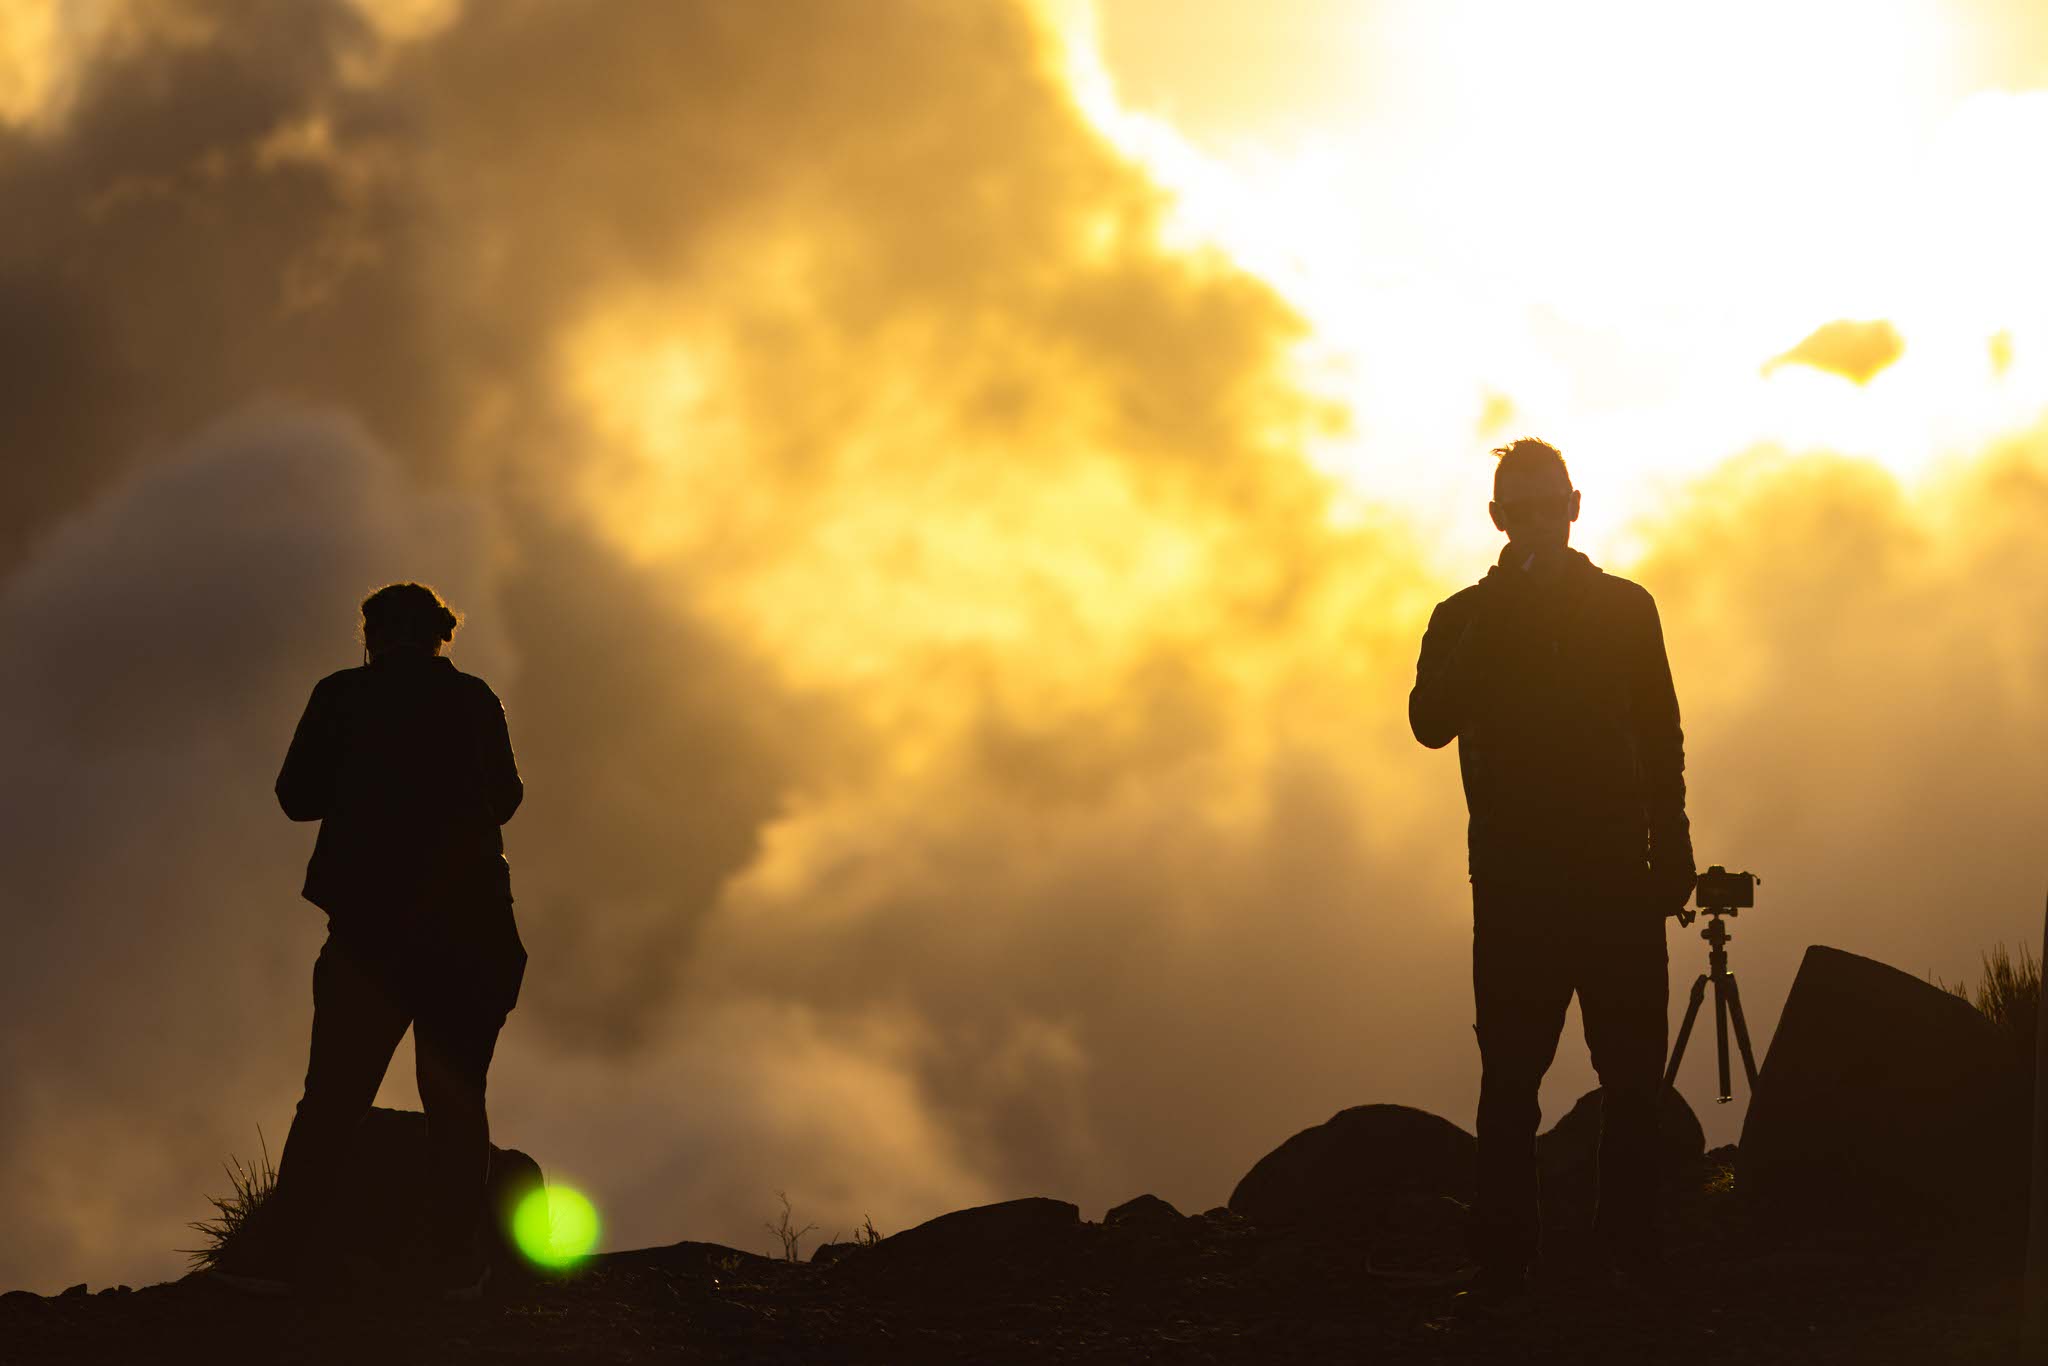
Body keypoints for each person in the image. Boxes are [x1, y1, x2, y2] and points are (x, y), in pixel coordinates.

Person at [1408, 439, 1694, 1300]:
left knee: (1633, 1076)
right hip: (1514, 884)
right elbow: (1429, 721)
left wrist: (1671, 847)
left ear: (1575, 505)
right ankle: (1503, 1264)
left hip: (1615, 876)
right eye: (1517, 508)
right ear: (1497, 518)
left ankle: (1630, 1254)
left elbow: (1662, 734)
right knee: (1510, 1079)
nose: (1535, 521)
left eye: (1547, 504)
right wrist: (1496, 619)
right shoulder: (1463, 617)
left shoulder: (1625, 610)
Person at [212, 582, 527, 1299]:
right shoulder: (475, 699)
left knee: (333, 1099)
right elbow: (506, 798)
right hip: (474, 932)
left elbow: (296, 798)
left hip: (372, 936)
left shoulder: (342, 696)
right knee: (456, 1099)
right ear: (442, 636)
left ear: (373, 634)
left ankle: (282, 1256)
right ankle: (451, 1263)